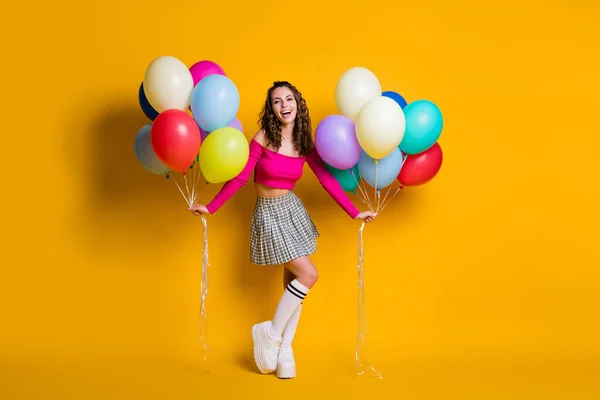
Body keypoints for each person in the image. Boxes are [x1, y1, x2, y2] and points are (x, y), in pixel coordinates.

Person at [189, 81, 376, 379]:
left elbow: (327, 180)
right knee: (308, 275)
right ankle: (272, 333)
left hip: (292, 210)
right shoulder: (263, 138)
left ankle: (285, 351)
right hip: (268, 213)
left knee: (293, 283)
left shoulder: (304, 144)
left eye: (289, 99)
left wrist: (354, 212)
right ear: (271, 109)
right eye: (277, 102)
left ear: (298, 104)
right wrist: (211, 207)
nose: (284, 105)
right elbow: (239, 179)